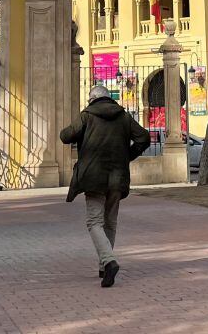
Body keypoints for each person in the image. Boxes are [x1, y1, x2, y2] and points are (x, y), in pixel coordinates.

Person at [60, 85, 150, 288]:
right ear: (109, 98)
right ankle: (104, 266)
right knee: (110, 222)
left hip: (93, 177)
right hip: (118, 177)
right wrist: (128, 155)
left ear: (91, 100)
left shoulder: (87, 115)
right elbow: (144, 137)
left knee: (94, 222)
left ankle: (109, 261)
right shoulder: (124, 116)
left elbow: (66, 136)